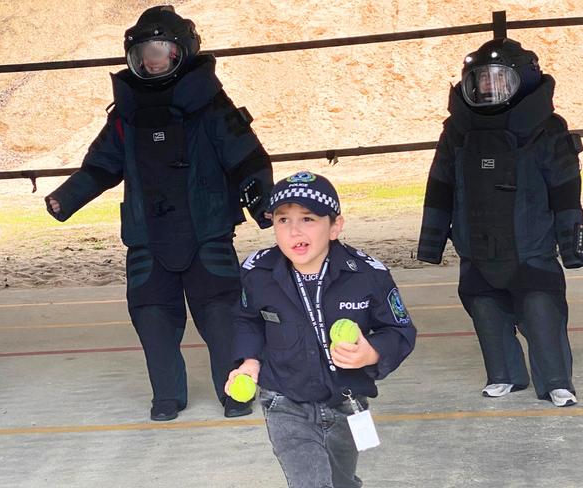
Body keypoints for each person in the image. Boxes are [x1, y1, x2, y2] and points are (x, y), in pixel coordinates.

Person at [45, 5, 274, 420]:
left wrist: (264, 205)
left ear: (181, 51)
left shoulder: (210, 105)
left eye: (160, 50)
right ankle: (167, 397)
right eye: (144, 53)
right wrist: (66, 199)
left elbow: (247, 157)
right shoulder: (127, 115)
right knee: (153, 319)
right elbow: (100, 166)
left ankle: (236, 393)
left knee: (221, 315)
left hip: (207, 232)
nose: (151, 61)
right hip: (147, 237)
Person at [417, 37, 583, 407]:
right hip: (476, 249)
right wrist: (429, 244)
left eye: (500, 80)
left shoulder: (547, 129)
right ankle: (505, 375)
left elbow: (565, 191)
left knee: (542, 309)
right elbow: (440, 186)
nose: (489, 89)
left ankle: (557, 381)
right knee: (484, 307)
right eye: (481, 81)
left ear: (523, 81)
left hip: (531, 250)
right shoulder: (456, 132)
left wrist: (573, 244)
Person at [226, 171, 416, 487]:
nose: (294, 230)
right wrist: (248, 361)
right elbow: (247, 319)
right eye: (283, 220)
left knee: (341, 482)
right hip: (285, 401)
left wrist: (371, 352)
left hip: (345, 402)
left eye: (308, 218)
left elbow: (400, 330)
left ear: (335, 226)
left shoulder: (367, 274)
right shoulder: (257, 273)